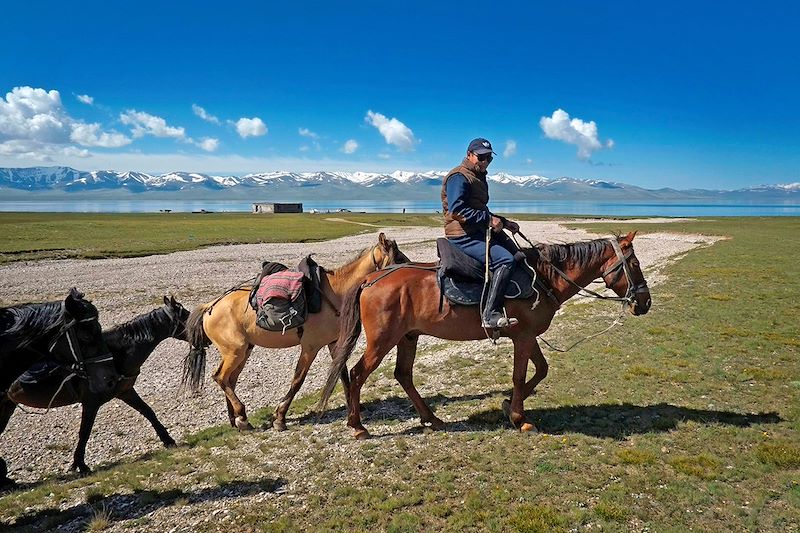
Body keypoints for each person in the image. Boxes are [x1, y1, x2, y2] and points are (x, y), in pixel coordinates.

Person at [441, 137, 521, 328]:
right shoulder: (459, 177)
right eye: (481, 157)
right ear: (469, 155)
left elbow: (479, 208)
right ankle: (490, 314)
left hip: (477, 229)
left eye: (489, 158)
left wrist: (504, 222)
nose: (485, 162)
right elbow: (457, 211)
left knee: (518, 255)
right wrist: (488, 220)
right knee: (505, 260)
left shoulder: (477, 176)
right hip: (462, 234)